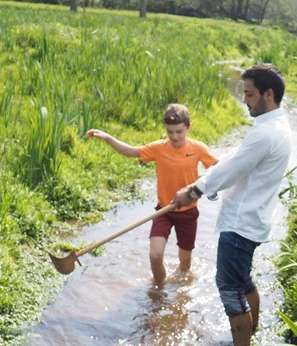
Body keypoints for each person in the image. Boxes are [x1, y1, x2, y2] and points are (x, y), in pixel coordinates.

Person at [171, 63, 292, 346]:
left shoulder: (265, 134)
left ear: (268, 94)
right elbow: (237, 162)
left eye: (249, 94)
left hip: (240, 225)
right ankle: (253, 334)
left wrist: (195, 190)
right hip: (253, 221)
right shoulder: (275, 126)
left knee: (230, 292)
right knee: (244, 282)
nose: (244, 100)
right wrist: (202, 184)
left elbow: (234, 168)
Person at [85, 103, 218, 285]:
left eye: (179, 131)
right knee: (155, 255)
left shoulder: (198, 148)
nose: (174, 136)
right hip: (163, 211)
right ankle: (158, 289)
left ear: (188, 127)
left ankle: (181, 287)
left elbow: (218, 170)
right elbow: (131, 151)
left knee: (185, 260)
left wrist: (200, 185)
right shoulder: (159, 148)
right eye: (170, 132)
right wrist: (108, 138)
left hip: (188, 212)